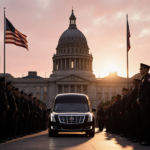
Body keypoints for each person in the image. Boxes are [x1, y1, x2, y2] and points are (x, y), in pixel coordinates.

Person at [137, 63, 150, 146]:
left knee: (147, 122)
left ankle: (148, 140)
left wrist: (140, 98)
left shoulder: (148, 78)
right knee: (144, 122)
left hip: (146, 102)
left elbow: (147, 90)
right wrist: (138, 99)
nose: (140, 70)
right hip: (142, 103)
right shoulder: (143, 79)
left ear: (145, 69)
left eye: (141, 69)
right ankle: (146, 139)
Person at [0, 77, 9, 143]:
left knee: (3, 123)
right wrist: (5, 105)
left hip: (3, 108)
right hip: (1, 107)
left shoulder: (3, 89)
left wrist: (7, 105)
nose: (5, 82)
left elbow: (5, 99)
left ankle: (2, 137)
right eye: (4, 81)